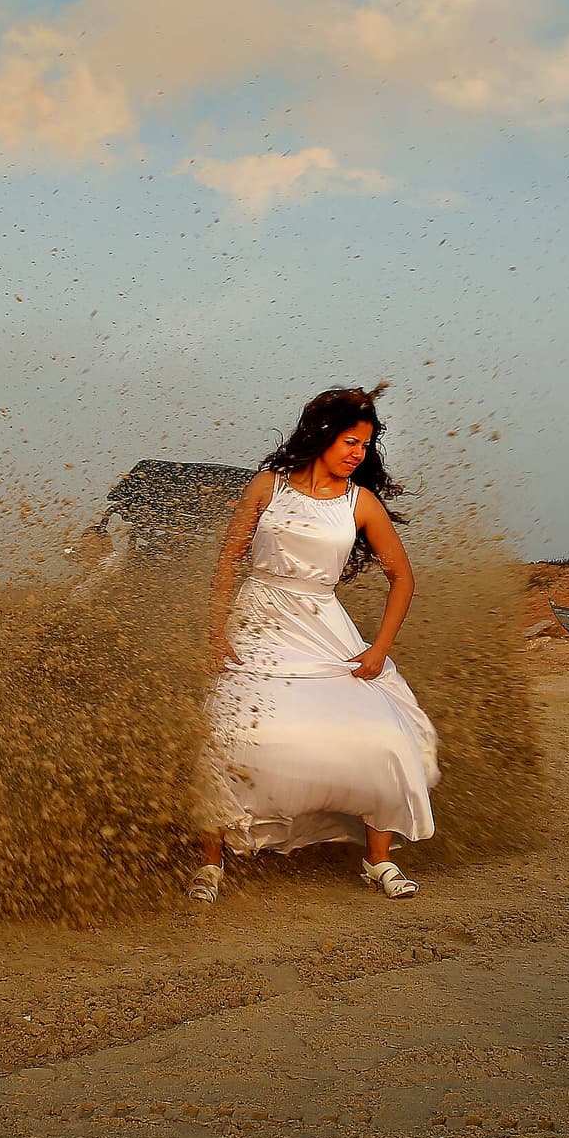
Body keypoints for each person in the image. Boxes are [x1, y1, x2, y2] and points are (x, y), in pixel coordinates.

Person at [191, 384, 439, 906]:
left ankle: (378, 859)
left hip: (323, 627)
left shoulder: (361, 502)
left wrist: (378, 650)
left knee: (381, 734)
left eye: (365, 446)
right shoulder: (268, 486)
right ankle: (210, 863)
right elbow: (228, 559)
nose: (358, 454)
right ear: (322, 435)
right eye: (351, 442)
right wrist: (215, 632)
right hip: (258, 620)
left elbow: (403, 577)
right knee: (229, 732)